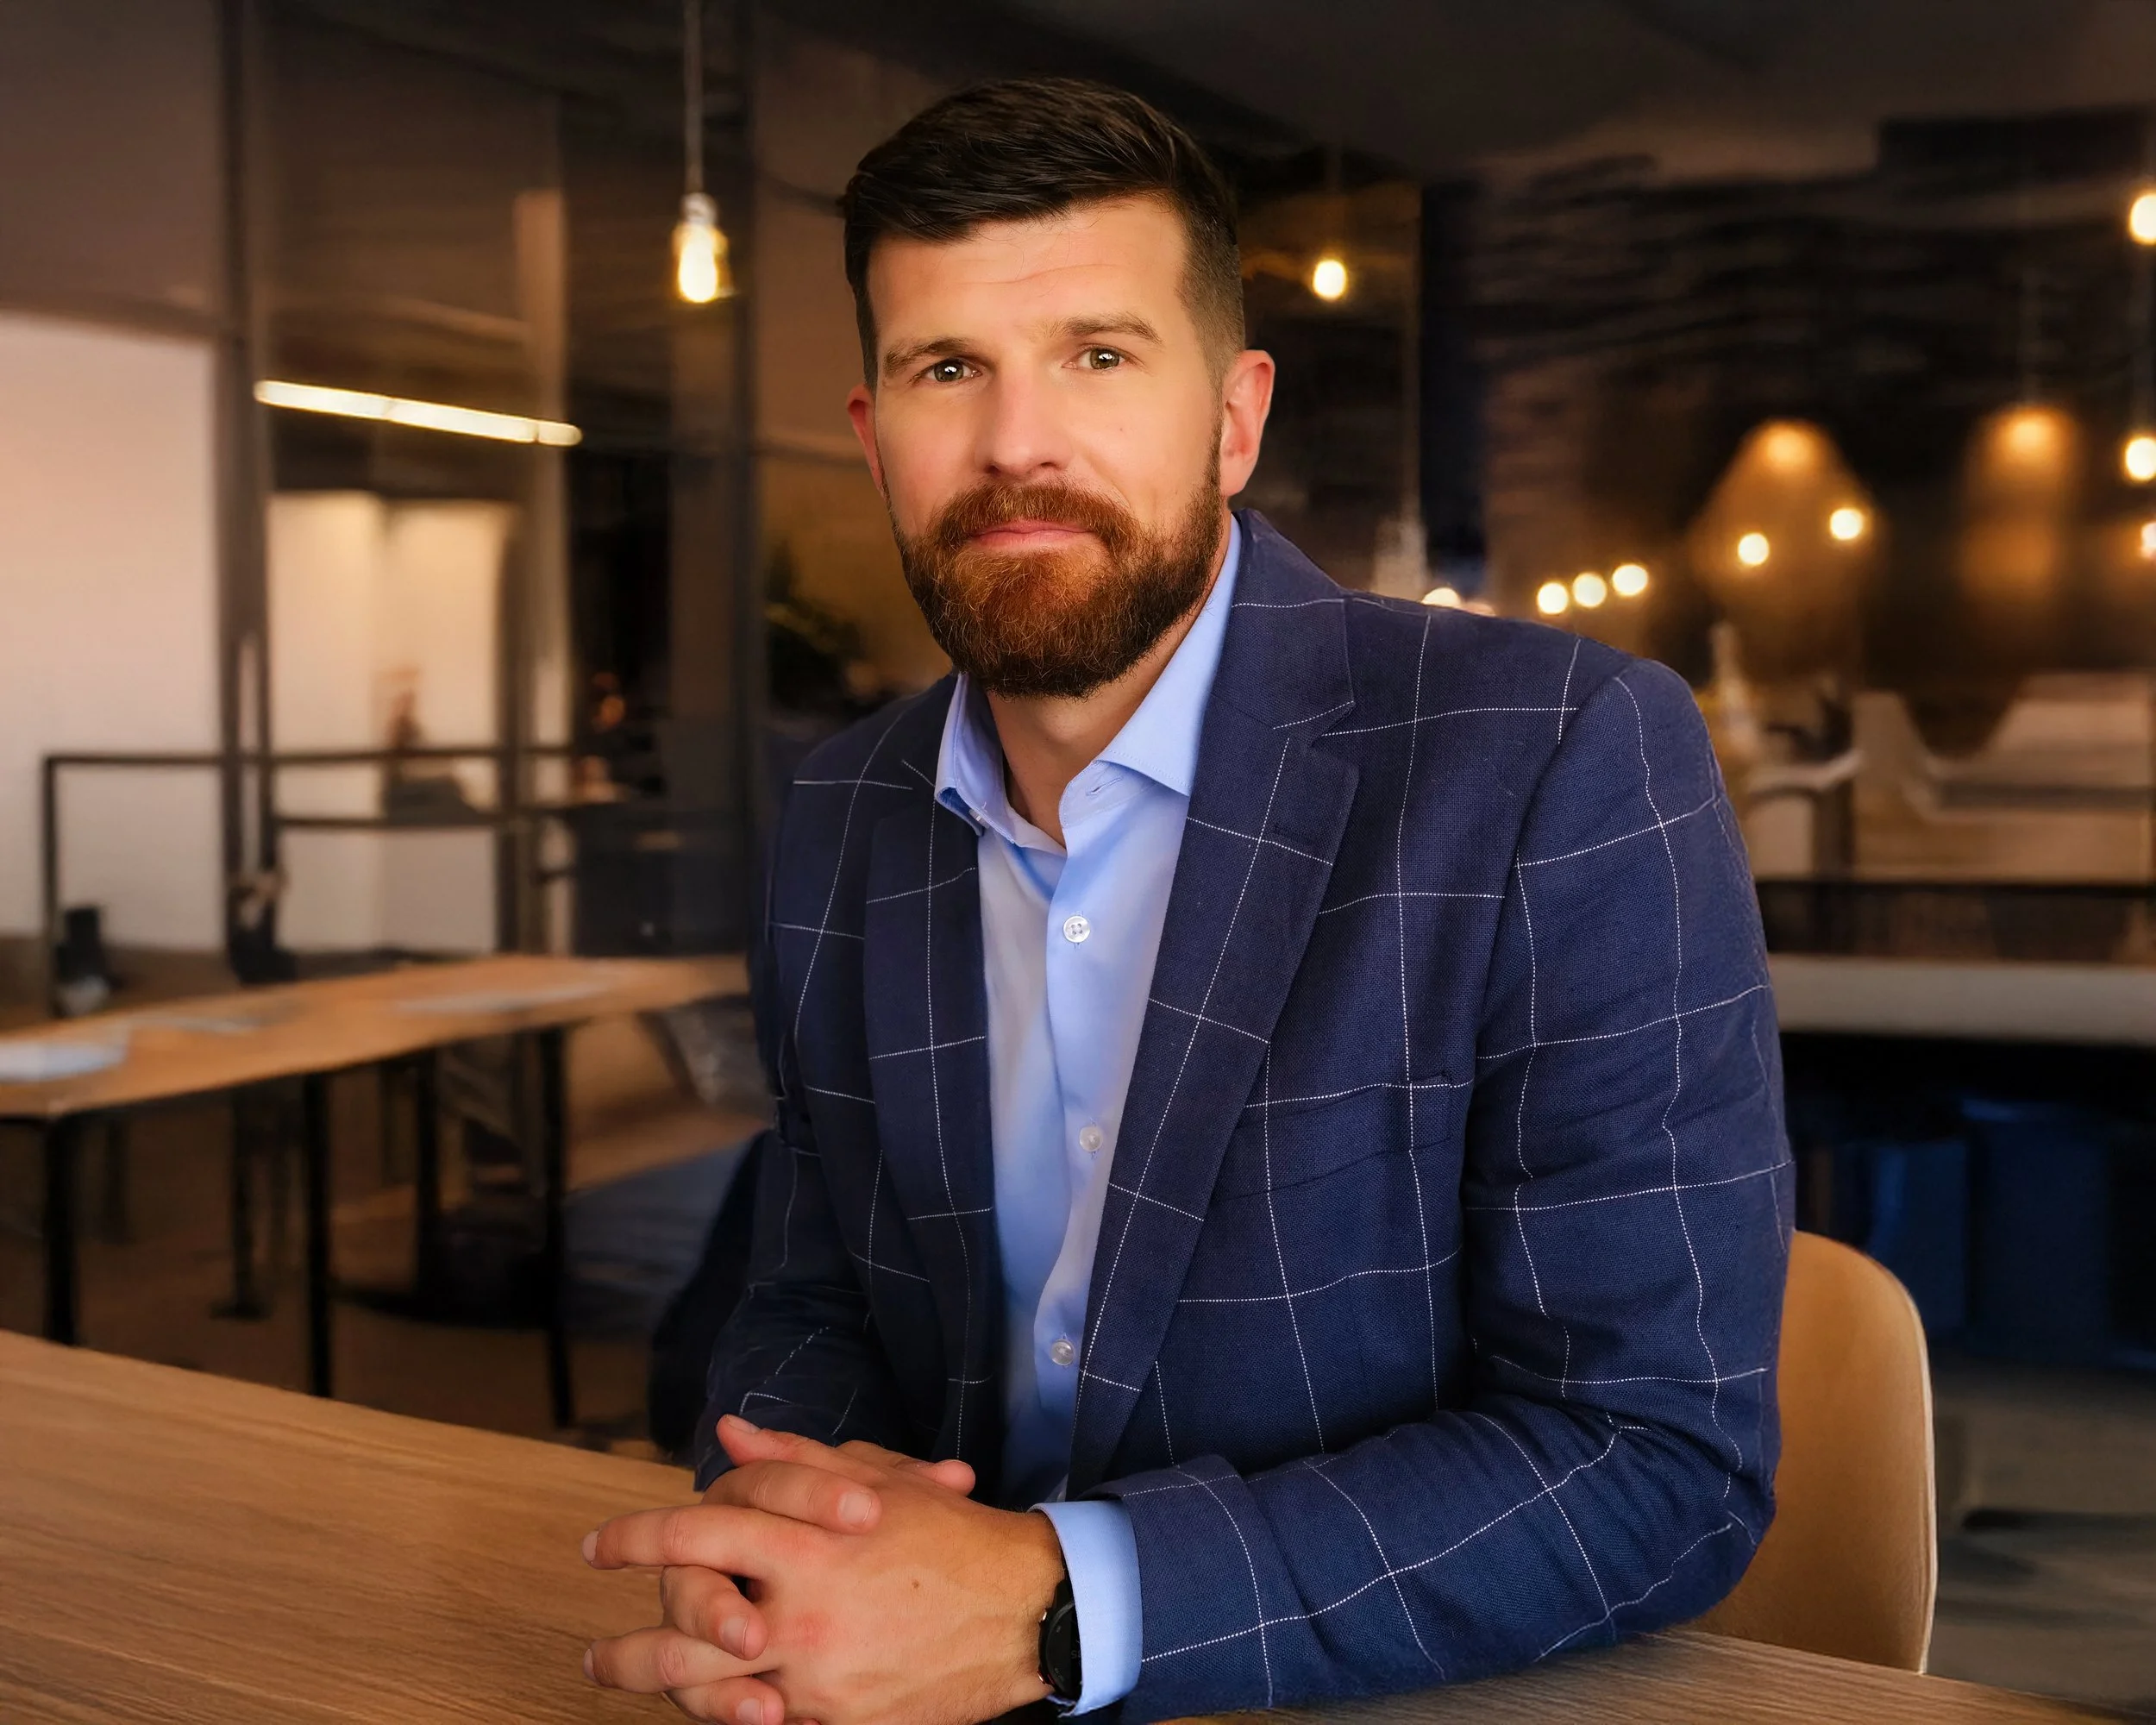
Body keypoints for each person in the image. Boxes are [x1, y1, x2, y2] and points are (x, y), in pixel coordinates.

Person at [580, 78, 1790, 1725]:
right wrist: (780, 1533)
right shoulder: (841, 811)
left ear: (1234, 418)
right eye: (949, 369)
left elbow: (1655, 1459)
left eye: (1098, 354)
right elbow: (813, 1295)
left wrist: (1052, 1605)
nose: (1017, 445)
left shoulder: (1557, 757)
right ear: (874, 438)